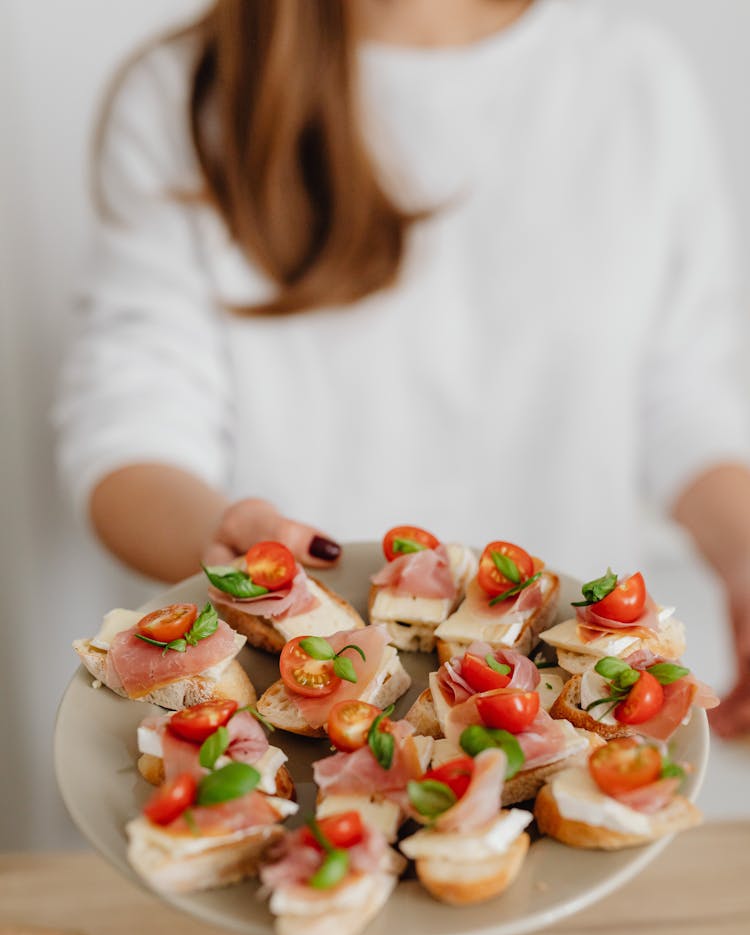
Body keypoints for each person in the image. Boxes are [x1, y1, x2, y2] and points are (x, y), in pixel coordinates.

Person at [55, 0, 750, 735]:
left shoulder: (636, 79)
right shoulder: (184, 93)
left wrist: (743, 555)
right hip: (273, 717)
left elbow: (683, 392)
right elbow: (130, 429)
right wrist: (234, 558)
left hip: (582, 713)